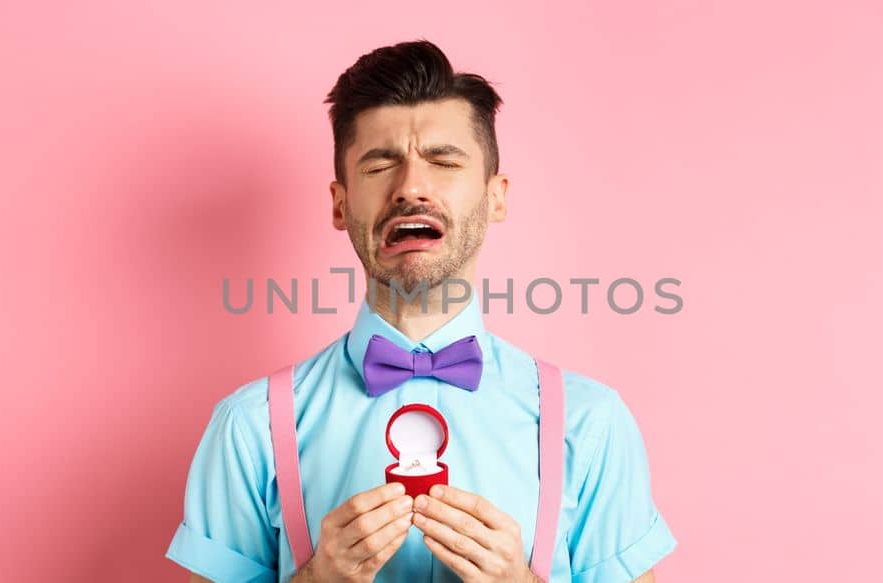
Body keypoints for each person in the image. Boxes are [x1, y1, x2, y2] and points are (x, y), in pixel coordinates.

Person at [166, 39, 674, 583]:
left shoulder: (591, 424)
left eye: (443, 160)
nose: (411, 187)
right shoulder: (250, 428)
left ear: (495, 196)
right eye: (380, 164)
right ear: (341, 205)